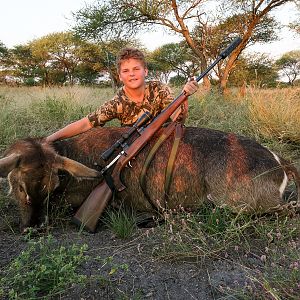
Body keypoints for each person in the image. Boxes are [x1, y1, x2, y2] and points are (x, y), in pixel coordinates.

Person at [46, 47, 198, 143]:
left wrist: (184, 96)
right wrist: (50, 139)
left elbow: (178, 120)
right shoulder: (116, 103)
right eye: (126, 71)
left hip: (163, 142)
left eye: (136, 69)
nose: (131, 74)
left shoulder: (160, 89)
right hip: (135, 145)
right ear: (120, 76)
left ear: (145, 71)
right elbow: (86, 123)